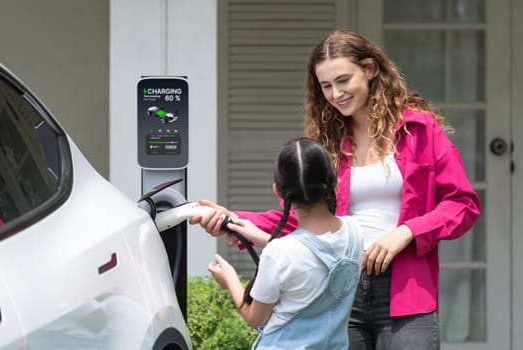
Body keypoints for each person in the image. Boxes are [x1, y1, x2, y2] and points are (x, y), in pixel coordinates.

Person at [192, 30, 481, 349]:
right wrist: (234, 219)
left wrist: (406, 232)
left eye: (343, 80)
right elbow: (308, 216)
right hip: (340, 290)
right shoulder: (326, 141)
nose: (335, 93)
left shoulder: (419, 131)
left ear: (370, 70)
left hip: (407, 291)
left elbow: (463, 205)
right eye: (326, 85)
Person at [206, 137, 364, 349]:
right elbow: (315, 254)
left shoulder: (279, 253)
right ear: (335, 183)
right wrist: (265, 239)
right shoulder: (354, 232)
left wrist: (230, 280)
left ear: (278, 191)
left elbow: (255, 318)